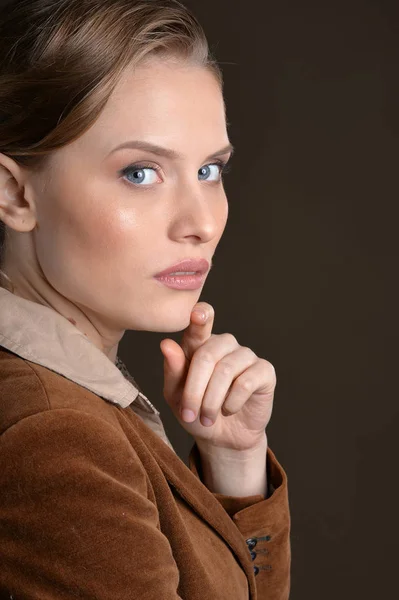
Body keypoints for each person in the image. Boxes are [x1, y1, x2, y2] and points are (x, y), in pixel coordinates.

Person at [0, 0, 291, 597]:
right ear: (14, 193)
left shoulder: (72, 404)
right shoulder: (54, 435)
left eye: (210, 171)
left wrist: (235, 465)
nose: (201, 223)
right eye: (141, 172)